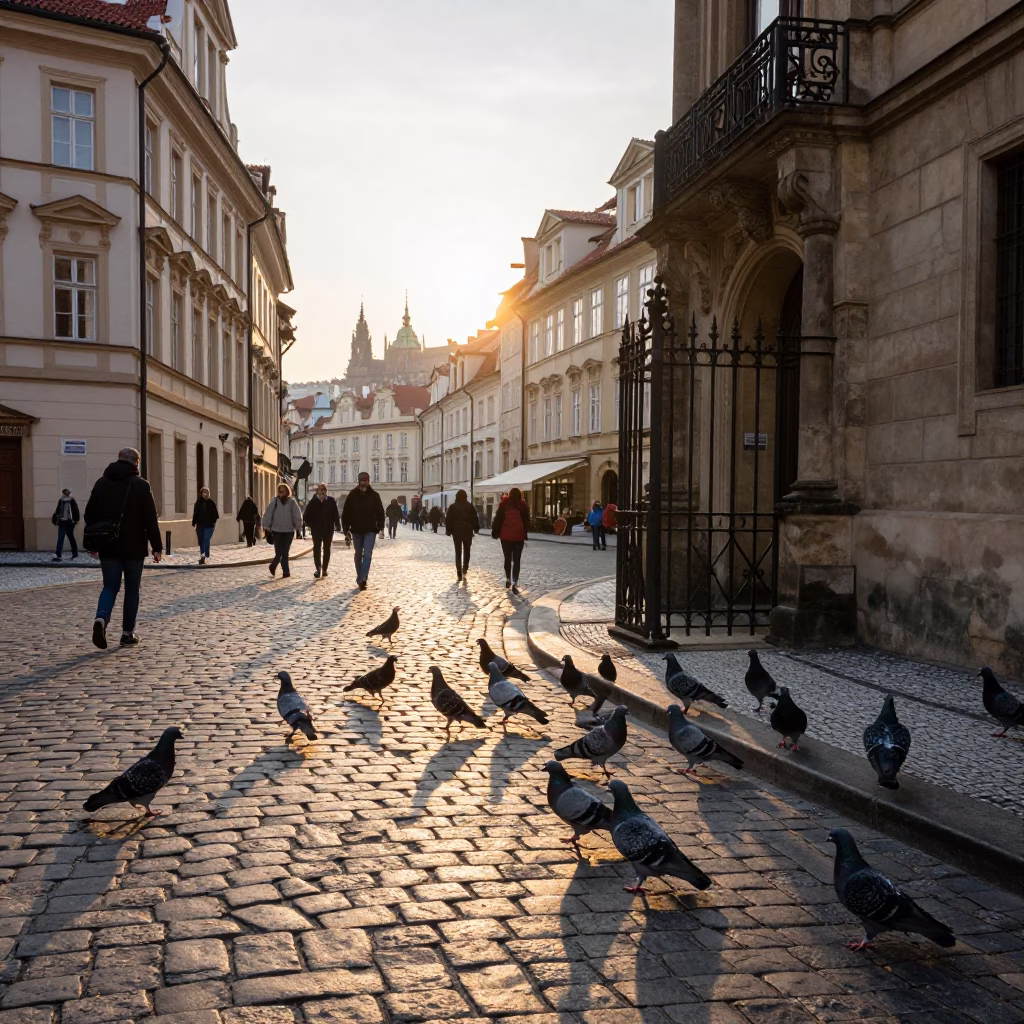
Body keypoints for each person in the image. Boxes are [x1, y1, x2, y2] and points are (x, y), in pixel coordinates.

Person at [84, 446, 162, 649]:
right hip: (134, 546)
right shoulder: (141, 485)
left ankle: (101, 619)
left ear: (118, 459)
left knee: (110, 586)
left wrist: (93, 544)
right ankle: (127, 633)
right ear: (136, 463)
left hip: (108, 545)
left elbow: (90, 515)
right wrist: (157, 547)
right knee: (132, 589)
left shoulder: (101, 483)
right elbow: (150, 519)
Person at [342, 471, 385, 590]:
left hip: (370, 530)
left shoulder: (374, 496)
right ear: (359, 481)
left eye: (365, 481)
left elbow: (381, 513)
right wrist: (346, 529)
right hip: (356, 530)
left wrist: (380, 527)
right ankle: (360, 575)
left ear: (368, 481)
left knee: (367, 554)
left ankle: (363, 578)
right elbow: (346, 513)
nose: (364, 483)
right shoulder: (352, 495)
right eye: (362, 481)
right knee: (358, 555)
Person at [492, 486, 530, 595]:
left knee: (507, 558)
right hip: (519, 536)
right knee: (516, 560)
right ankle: (514, 581)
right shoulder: (522, 505)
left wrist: (496, 532)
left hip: (506, 536)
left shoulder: (504, 504)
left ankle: (508, 578)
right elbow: (527, 519)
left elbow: (498, 518)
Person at [263, 482, 303, 578]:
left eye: (283, 491)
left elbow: (297, 515)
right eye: (279, 491)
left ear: (287, 491)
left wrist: (298, 528)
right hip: (277, 531)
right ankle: (273, 566)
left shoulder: (292, 502)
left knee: (285, 552)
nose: (281, 493)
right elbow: (268, 514)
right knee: (278, 553)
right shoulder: (275, 501)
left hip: (288, 531)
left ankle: (286, 572)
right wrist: (266, 527)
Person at [303, 482, 340, 579]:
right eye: (321, 489)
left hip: (328, 529)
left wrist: (337, 524)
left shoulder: (331, 501)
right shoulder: (313, 501)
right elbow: (306, 516)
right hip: (317, 529)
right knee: (317, 548)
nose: (323, 491)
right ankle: (318, 568)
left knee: (327, 549)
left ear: (326, 491)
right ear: (318, 490)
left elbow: (335, 514)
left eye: (324, 489)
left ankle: (325, 569)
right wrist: (311, 525)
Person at [445, 489, 480, 582]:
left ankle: (458, 570)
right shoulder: (469, 506)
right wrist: (476, 528)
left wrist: (448, 530)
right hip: (468, 531)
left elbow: (448, 519)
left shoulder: (453, 507)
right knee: (467, 550)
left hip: (456, 532)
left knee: (458, 552)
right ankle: (465, 568)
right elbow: (474, 518)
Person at [51, 487, 80, 561]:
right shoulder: (61, 500)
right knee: (60, 537)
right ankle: (58, 554)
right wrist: (56, 519)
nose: (66, 494)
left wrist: (76, 520)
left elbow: (76, 510)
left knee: (70, 538)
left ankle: (75, 553)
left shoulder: (72, 500)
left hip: (70, 522)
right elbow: (58, 510)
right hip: (62, 522)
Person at [192, 487, 219, 564]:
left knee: (206, 540)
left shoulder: (211, 503)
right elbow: (195, 513)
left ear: (208, 493)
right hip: (200, 525)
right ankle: (202, 555)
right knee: (201, 541)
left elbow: (216, 515)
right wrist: (194, 522)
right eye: (203, 492)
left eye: (206, 492)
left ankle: (206, 556)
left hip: (209, 526)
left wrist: (213, 522)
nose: (204, 494)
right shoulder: (198, 502)